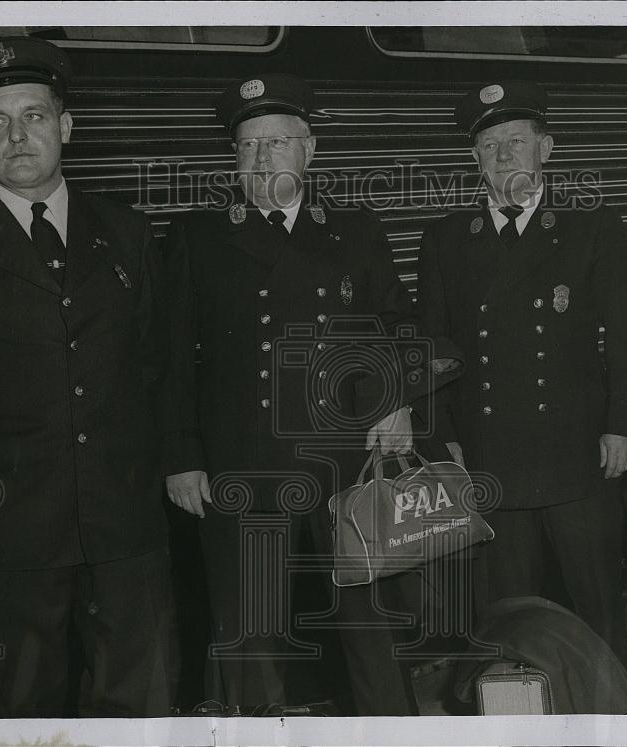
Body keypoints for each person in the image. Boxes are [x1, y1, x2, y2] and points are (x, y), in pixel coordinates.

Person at [0, 36, 177, 717]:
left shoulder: (127, 232)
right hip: (3, 546)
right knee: (19, 719)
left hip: (126, 535)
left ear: (65, 126)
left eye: (35, 115)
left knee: (142, 711)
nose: (18, 135)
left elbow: (155, 368)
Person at [162, 73, 420, 715]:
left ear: (309, 149)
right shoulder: (196, 236)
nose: (261, 159)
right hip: (241, 461)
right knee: (250, 635)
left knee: (373, 629)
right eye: (247, 147)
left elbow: (398, 325)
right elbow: (168, 358)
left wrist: (396, 398)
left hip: (347, 462)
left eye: (276, 143)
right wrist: (182, 455)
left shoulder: (356, 228)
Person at [415, 80, 627, 671]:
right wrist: (441, 443)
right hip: (490, 460)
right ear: (474, 160)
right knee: (510, 624)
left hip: (580, 453)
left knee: (597, 613)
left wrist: (622, 425)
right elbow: (432, 351)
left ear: (547, 148)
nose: (503, 156)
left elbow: (626, 339)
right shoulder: (445, 240)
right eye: (489, 146)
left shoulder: (594, 228)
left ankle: (609, 725)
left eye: (517, 142)